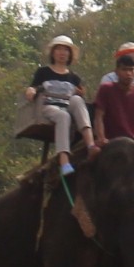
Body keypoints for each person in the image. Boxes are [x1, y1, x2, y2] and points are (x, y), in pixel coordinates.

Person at [25, 35, 92, 175]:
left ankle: (90, 144)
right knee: (63, 116)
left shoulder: (74, 77)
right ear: (53, 53)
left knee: (78, 101)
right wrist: (31, 90)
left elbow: (80, 93)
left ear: (70, 54)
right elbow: (34, 87)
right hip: (49, 106)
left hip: (67, 105)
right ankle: (63, 159)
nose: (62, 53)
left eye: (65, 50)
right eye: (59, 49)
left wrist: (80, 93)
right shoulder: (43, 72)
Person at [93, 52, 134, 142]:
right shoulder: (106, 89)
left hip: (132, 140)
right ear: (117, 71)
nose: (128, 73)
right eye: (124, 70)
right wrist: (101, 138)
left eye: (131, 70)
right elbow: (99, 117)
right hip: (109, 140)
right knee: (93, 153)